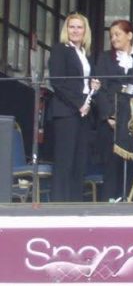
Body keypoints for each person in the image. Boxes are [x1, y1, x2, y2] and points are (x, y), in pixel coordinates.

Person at [93, 20, 133, 202]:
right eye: (111, 35)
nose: (113, 39)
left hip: (132, 125)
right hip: (111, 122)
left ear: (130, 35)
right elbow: (101, 90)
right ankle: (108, 207)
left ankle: (130, 203)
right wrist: (109, 116)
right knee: (111, 168)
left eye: (117, 34)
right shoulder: (104, 58)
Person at [47, 12, 100, 202]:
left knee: (79, 161)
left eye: (79, 27)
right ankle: (59, 204)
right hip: (66, 112)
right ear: (66, 30)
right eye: (72, 27)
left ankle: (74, 203)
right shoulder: (61, 50)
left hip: (84, 112)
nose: (75, 31)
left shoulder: (86, 54)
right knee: (65, 161)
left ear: (85, 31)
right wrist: (78, 104)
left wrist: (93, 88)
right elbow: (58, 82)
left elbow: (85, 83)